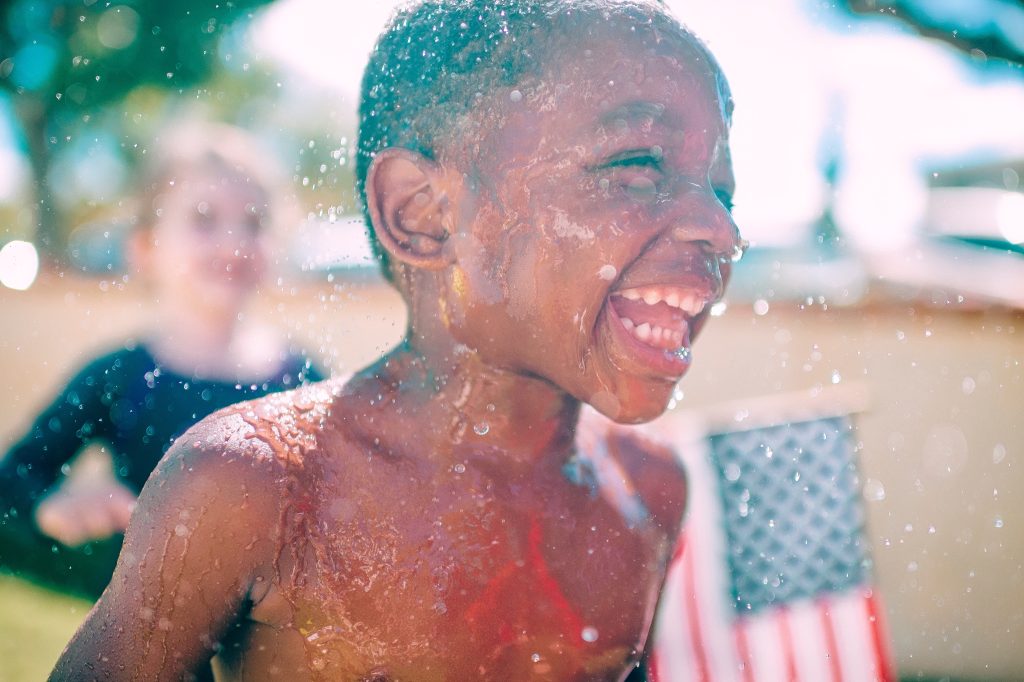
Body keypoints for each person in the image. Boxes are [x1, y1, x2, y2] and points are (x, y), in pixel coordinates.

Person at [53, 1, 742, 679]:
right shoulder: (260, 488)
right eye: (637, 165)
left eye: (722, 192)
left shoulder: (649, 491)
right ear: (423, 213)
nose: (721, 229)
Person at [0, 121, 323, 599]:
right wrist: (51, 508)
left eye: (253, 223)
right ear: (146, 247)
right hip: (146, 630)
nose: (233, 243)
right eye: (204, 219)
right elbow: (12, 480)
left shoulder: (302, 382)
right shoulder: (121, 377)